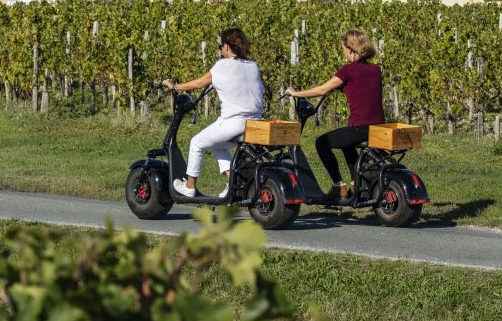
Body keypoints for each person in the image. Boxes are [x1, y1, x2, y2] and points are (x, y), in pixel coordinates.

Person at [162, 27, 263, 198]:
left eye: (220, 46)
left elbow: (199, 84)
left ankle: (189, 185)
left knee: (196, 143)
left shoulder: (222, 65)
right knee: (217, 146)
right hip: (254, 122)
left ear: (226, 46)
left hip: (233, 122)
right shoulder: (252, 66)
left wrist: (174, 86)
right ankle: (232, 182)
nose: (220, 49)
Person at [284, 29, 383, 201]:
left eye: (344, 48)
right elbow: (362, 87)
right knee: (346, 143)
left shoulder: (347, 70)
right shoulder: (375, 70)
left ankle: (338, 187)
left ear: (351, 49)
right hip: (378, 126)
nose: (343, 52)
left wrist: (296, 94)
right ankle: (356, 185)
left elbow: (322, 89)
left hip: (360, 128)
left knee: (321, 142)